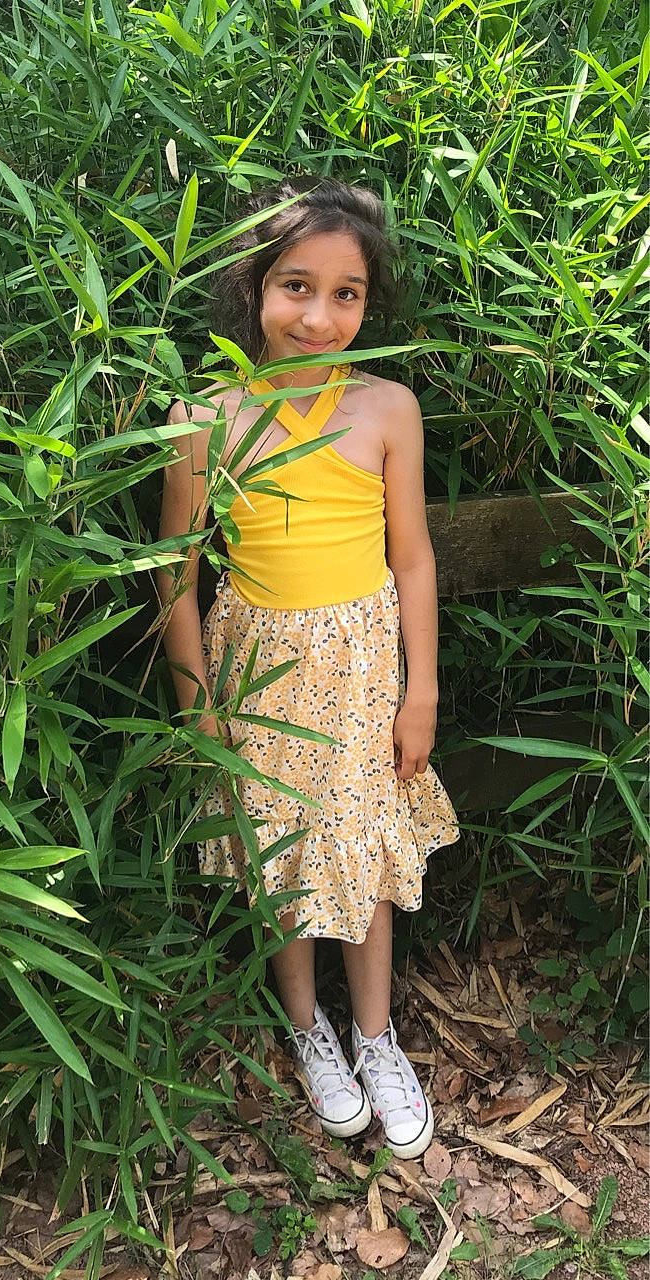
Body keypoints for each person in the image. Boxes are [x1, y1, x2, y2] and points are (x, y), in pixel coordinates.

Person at [157, 175, 460, 1160]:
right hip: (259, 670)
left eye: (347, 293)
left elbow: (411, 556)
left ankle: (376, 1037)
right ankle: (308, 1030)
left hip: (366, 663)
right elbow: (177, 575)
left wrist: (421, 688)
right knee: (279, 857)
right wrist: (198, 707)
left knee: (364, 850)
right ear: (254, 286)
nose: (319, 314)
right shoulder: (205, 414)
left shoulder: (387, 408)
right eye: (297, 285)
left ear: (369, 304)